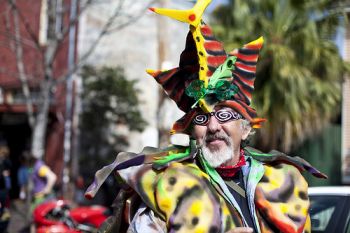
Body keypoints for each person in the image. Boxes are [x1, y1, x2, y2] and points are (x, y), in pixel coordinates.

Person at [85, 0, 327, 232]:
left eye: (223, 115)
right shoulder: (165, 185)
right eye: (201, 118)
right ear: (192, 131)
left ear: (245, 128)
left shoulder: (284, 182)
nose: (212, 126)